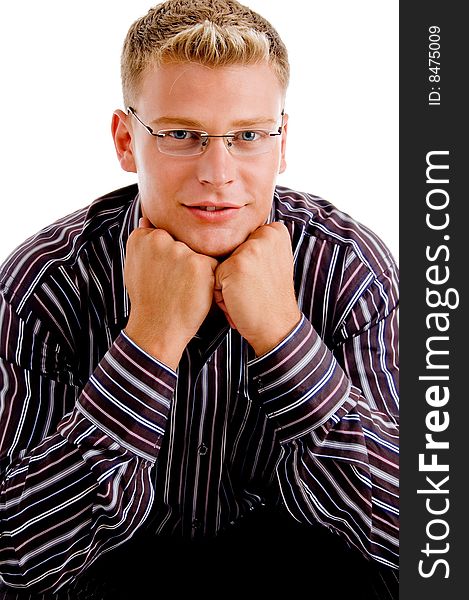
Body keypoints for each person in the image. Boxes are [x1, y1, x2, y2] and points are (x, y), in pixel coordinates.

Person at [0, 0, 399, 598]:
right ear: (126, 140)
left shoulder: (346, 267)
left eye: (247, 136)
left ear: (282, 142)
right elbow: (15, 554)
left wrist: (285, 339)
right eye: (182, 135)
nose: (218, 171)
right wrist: (150, 341)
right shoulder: (46, 283)